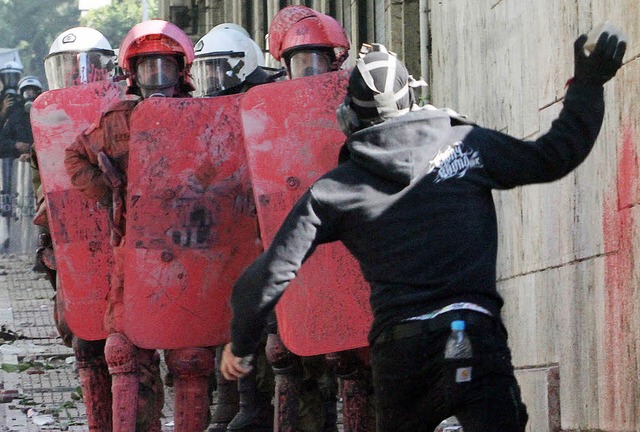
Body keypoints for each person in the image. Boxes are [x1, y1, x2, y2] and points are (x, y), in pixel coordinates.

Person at [221, 29, 626, 432]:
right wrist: (588, 85)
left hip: (402, 351)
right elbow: (556, 154)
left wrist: (241, 346)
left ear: (350, 118)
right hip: (475, 336)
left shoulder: (334, 190)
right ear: (414, 100)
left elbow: (267, 275)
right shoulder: (467, 146)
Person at [64, 20, 195, 431]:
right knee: (125, 351)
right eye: (147, 69)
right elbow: (74, 158)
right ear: (132, 74)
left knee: (191, 356)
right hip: (133, 254)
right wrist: (112, 193)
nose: (157, 78)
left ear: (181, 72)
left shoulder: (200, 116)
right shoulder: (117, 121)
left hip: (191, 251)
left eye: (165, 68)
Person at [191, 23, 276, 432]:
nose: (212, 81)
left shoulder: (268, 98)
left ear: (243, 66)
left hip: (272, 223)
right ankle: (233, 399)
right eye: (204, 70)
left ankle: (258, 406)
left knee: (267, 317)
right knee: (226, 307)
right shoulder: (210, 109)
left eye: (218, 69)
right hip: (230, 226)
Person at [33, 26, 118, 431]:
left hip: (127, 246)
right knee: (85, 343)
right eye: (68, 68)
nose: (76, 76)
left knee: (128, 349)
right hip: (78, 252)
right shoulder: (47, 126)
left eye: (84, 66)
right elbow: (48, 205)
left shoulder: (123, 115)